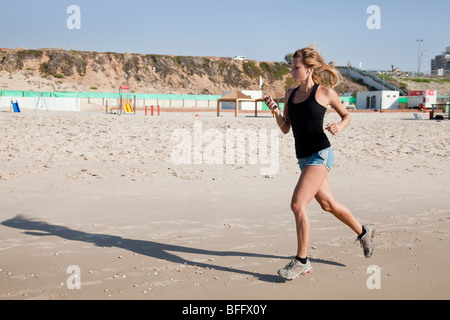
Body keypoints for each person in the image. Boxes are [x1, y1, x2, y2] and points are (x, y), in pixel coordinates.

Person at [264, 45, 375, 280]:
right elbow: (286, 129)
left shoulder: (325, 93)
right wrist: (275, 111)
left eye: (297, 67)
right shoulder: (291, 95)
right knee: (328, 204)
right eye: (292, 67)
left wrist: (339, 126)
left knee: (297, 204)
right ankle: (364, 232)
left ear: (309, 69)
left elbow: (347, 116)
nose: (292, 71)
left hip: (321, 154)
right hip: (303, 157)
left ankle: (301, 261)